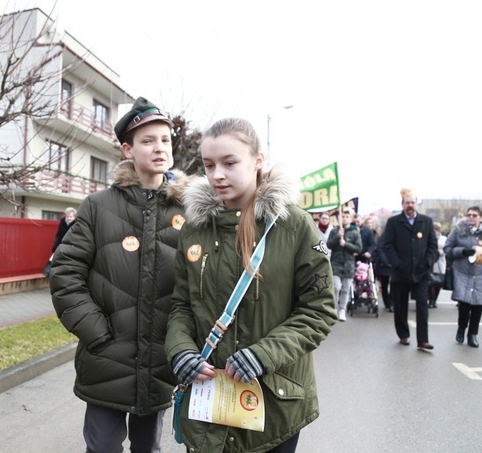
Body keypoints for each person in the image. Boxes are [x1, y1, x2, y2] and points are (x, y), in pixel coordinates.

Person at [165, 118, 336, 452]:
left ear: (258, 160)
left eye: (230, 163)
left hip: (274, 405)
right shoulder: (194, 228)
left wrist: (262, 354)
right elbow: (182, 306)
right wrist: (180, 350)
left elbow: (318, 311)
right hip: (208, 405)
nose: (217, 175)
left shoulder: (293, 225)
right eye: (209, 165)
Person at [49, 97, 190, 452]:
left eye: (165, 140)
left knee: (149, 448)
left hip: (160, 359)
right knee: (103, 448)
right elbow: (65, 272)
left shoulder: (188, 210)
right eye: (147, 141)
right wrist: (97, 333)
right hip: (106, 359)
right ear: (128, 149)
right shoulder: (98, 206)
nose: (159, 147)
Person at [381, 188, 438, 349]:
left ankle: (423, 340)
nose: (410, 205)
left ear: (417, 204)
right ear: (402, 204)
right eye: (407, 203)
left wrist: (427, 262)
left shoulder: (426, 222)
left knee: (422, 305)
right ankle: (403, 335)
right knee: (400, 305)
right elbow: (388, 245)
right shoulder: (394, 222)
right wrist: (396, 263)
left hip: (421, 271)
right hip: (400, 271)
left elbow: (432, 245)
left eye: (413, 202)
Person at [444, 206, 482, 348]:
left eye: (474, 215)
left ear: (481, 218)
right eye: (469, 215)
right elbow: (447, 248)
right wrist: (462, 251)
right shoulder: (459, 230)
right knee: (464, 305)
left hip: (480, 274)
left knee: (478, 306)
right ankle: (461, 329)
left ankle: (473, 335)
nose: (471, 217)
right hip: (462, 272)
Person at [327, 207, 362, 321]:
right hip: (336, 263)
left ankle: (342, 310)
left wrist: (346, 244)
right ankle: (335, 308)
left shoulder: (355, 232)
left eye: (347, 217)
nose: (345, 219)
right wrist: (338, 237)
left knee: (346, 289)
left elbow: (358, 248)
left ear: (351, 218)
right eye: (343, 217)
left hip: (348, 265)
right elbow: (329, 245)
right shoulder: (334, 230)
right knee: (336, 287)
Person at [428, 223, 447, 308]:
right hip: (431, 263)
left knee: (438, 282)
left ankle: (435, 300)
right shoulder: (429, 237)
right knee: (431, 282)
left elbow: (446, 249)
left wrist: (439, 252)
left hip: (440, 262)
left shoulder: (444, 239)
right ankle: (431, 299)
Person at [373, 232, 393, 312]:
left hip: (394, 263)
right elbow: (380, 248)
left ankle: (392, 303)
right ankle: (387, 302)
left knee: (394, 285)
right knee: (384, 284)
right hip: (384, 265)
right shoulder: (384, 235)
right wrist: (385, 261)